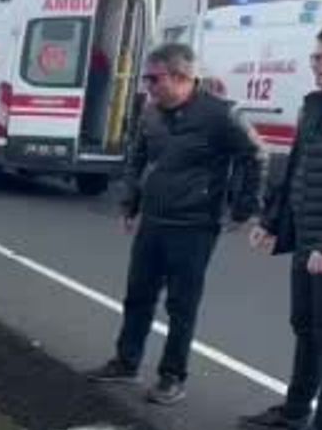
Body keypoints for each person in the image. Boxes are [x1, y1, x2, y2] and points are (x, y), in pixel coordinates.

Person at [87, 43, 266, 405]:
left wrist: (244, 208)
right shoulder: (151, 113)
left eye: (154, 79)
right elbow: (138, 156)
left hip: (195, 224)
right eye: (146, 78)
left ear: (182, 77)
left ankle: (172, 376)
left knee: (181, 305)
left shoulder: (222, 115)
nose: (147, 86)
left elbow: (256, 155)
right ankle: (126, 361)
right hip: (154, 219)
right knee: (137, 295)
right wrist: (130, 202)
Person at [241, 27, 322, 430]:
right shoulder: (314, 106)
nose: (317, 65)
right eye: (316, 57)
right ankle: (295, 414)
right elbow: (295, 169)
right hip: (307, 238)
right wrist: (271, 220)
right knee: (306, 329)